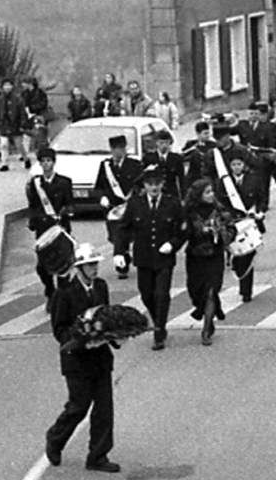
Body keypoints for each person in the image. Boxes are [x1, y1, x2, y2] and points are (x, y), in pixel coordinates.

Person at [44, 243, 122, 473]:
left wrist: (112, 334)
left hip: (100, 357)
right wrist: (80, 338)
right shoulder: (64, 293)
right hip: (77, 360)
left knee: (104, 408)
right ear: (79, 268)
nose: (94, 269)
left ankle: (98, 455)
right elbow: (59, 329)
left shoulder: (101, 286)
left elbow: (105, 315)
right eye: (89, 265)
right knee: (78, 406)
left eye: (95, 264)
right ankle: (55, 438)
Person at [114, 166, 184, 350]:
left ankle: (159, 330)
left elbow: (182, 230)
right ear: (144, 185)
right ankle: (158, 319)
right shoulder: (135, 203)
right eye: (150, 184)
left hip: (164, 258)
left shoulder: (172, 203)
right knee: (146, 294)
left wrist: (173, 244)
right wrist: (119, 251)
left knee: (161, 294)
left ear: (162, 184)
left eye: (157, 183)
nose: (154, 187)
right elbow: (123, 229)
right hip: (144, 257)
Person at [182, 178, 235, 346]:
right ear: (198, 195)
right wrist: (197, 230)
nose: (211, 195)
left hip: (214, 255)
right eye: (207, 192)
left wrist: (221, 232)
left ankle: (206, 328)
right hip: (195, 256)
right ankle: (207, 313)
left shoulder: (219, 210)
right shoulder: (189, 212)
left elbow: (232, 229)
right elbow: (182, 232)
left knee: (211, 291)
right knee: (196, 292)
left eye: (212, 191)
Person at [216, 150, 268, 302]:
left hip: (250, 221)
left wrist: (259, 211)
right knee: (237, 257)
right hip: (232, 222)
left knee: (248, 254)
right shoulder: (224, 182)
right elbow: (220, 202)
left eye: (239, 164)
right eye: (233, 165)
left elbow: (262, 198)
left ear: (244, 165)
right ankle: (238, 270)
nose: (236, 167)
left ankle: (246, 291)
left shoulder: (254, 179)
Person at [26, 147, 74, 311]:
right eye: (43, 161)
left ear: (54, 162)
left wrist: (66, 211)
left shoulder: (64, 182)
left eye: (49, 161)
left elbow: (70, 203)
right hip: (43, 230)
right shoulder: (35, 183)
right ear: (40, 164)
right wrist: (35, 220)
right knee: (42, 267)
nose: (46, 164)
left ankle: (61, 299)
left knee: (63, 266)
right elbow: (33, 205)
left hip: (60, 229)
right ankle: (50, 292)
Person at [95, 134, 144, 279]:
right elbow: (99, 187)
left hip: (130, 207)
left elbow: (141, 186)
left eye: (121, 148)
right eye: (115, 148)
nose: (118, 151)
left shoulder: (134, 165)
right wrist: (102, 197)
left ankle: (121, 264)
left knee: (125, 235)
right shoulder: (105, 166)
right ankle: (124, 255)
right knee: (116, 236)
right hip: (113, 208)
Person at [142, 130, 186, 202]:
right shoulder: (148, 158)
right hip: (155, 193)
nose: (164, 146)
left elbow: (181, 179)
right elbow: (144, 177)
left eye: (166, 143)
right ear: (156, 143)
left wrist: (183, 198)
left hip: (171, 193)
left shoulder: (176, 158)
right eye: (161, 143)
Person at [0, 78, 26, 172]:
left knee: (19, 145)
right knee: (4, 144)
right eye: (5, 85)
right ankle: (4, 163)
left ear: (12, 86)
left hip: (16, 124)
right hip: (4, 124)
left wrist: (23, 123)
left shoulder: (18, 98)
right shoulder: (0, 99)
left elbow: (22, 112)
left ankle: (25, 158)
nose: (7, 87)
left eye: (9, 85)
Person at [20, 77, 48, 169]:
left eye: (24, 83)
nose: (22, 85)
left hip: (38, 116)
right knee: (26, 136)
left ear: (30, 83)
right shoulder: (24, 94)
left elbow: (44, 104)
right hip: (27, 117)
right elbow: (21, 104)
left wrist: (32, 108)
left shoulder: (40, 93)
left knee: (39, 138)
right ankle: (25, 156)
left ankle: (40, 156)